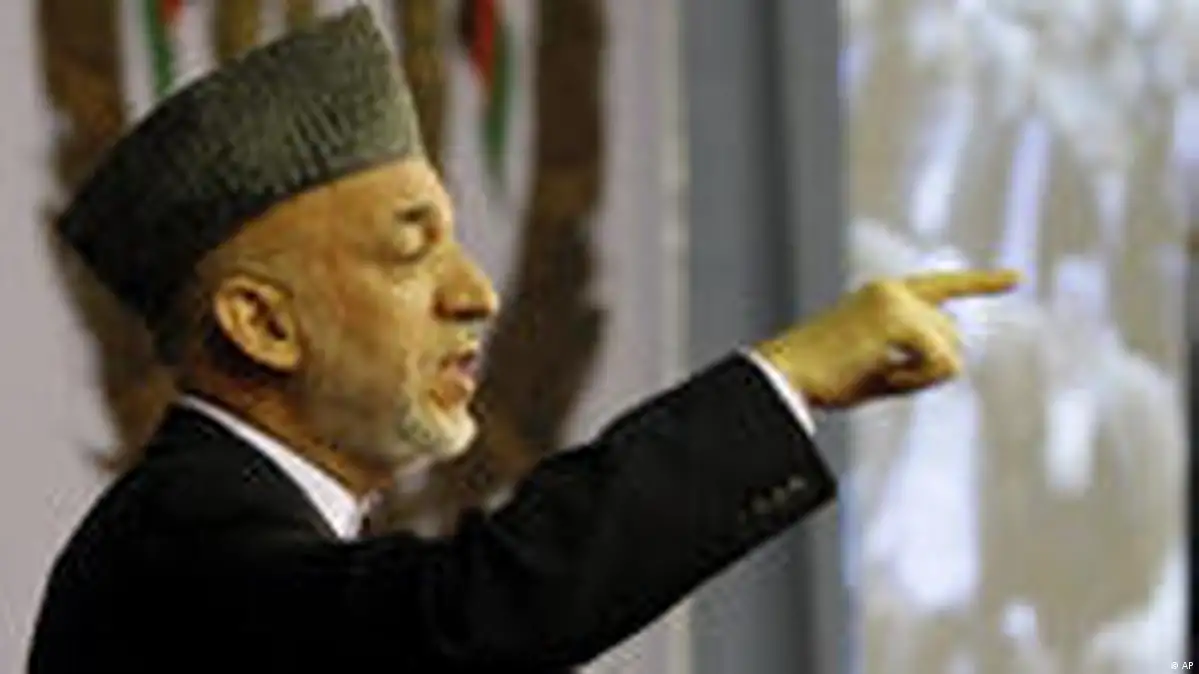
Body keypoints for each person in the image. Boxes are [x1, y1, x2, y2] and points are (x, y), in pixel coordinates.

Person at [27, 7, 1018, 673]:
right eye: (410, 251)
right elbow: (468, 616)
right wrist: (786, 381)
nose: (478, 292)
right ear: (262, 325)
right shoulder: (180, 545)